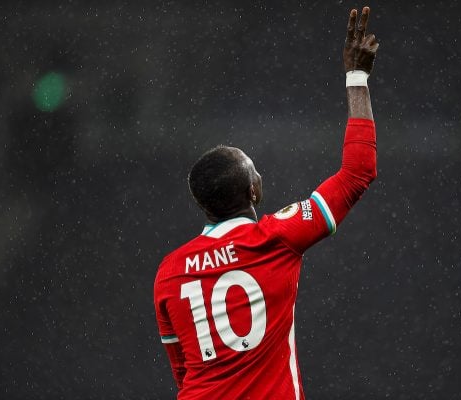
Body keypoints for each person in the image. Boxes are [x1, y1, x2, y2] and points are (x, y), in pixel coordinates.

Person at [154, 6, 379, 399]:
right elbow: (358, 172)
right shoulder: (276, 238)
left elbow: (183, 372)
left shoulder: (169, 273)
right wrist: (356, 76)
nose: (260, 176)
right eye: (254, 170)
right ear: (253, 191)